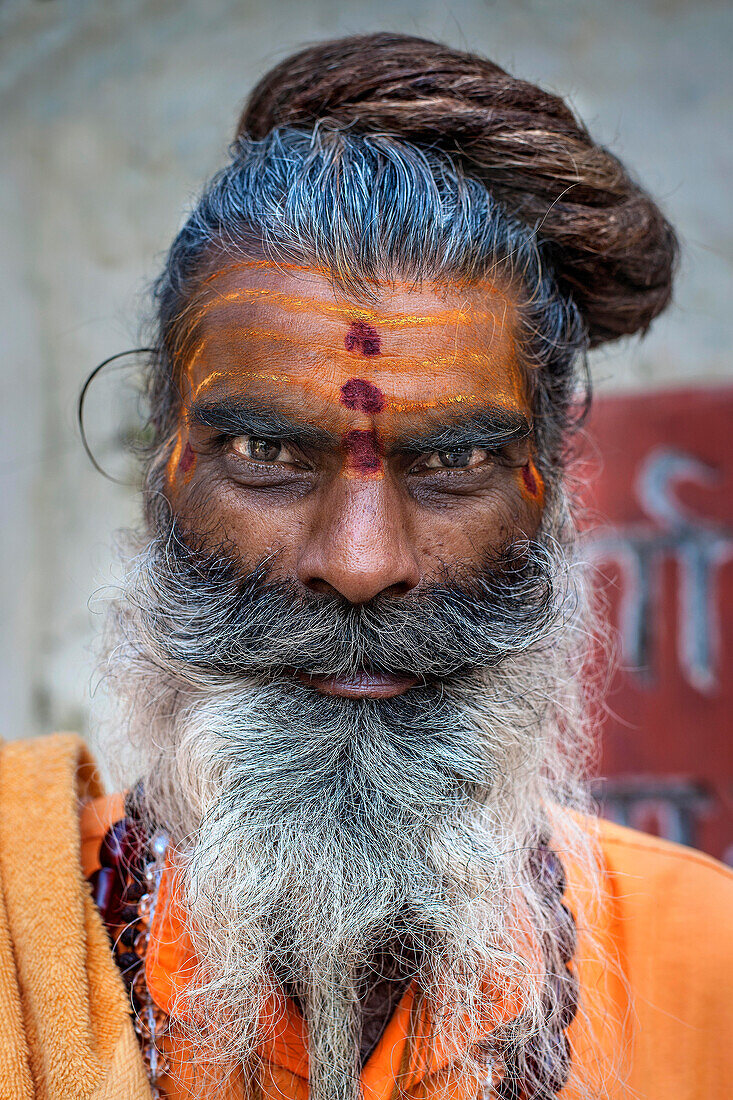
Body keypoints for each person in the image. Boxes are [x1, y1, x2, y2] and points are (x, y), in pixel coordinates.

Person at [0, 32, 730, 1100]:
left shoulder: (703, 968)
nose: (359, 564)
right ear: (163, 470)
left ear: (552, 492)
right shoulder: (20, 932)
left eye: (455, 461)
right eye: (263, 453)